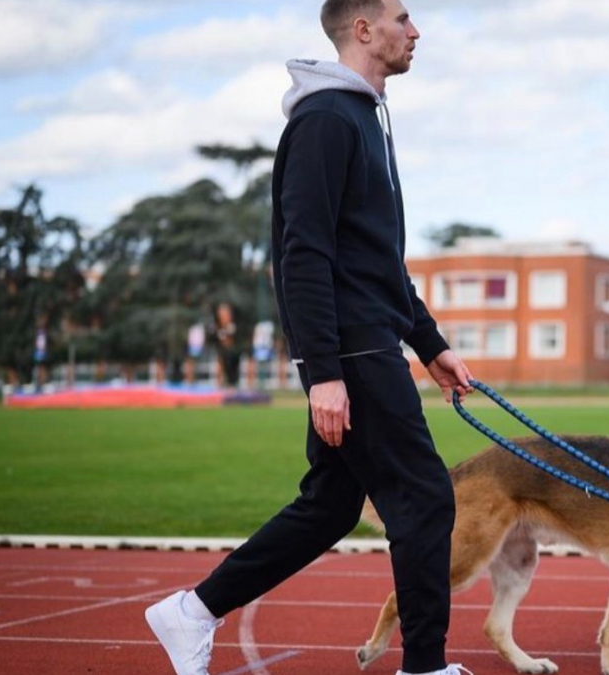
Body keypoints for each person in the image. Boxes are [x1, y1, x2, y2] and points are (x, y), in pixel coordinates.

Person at [144, 2, 474, 675]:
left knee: (329, 505)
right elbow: (302, 254)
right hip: (350, 351)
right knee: (424, 496)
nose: (416, 32)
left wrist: (430, 343)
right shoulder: (326, 120)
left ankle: (192, 612)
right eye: (403, 18)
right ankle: (425, 667)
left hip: (366, 340)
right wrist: (321, 369)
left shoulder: (364, 118)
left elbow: (378, 261)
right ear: (363, 29)